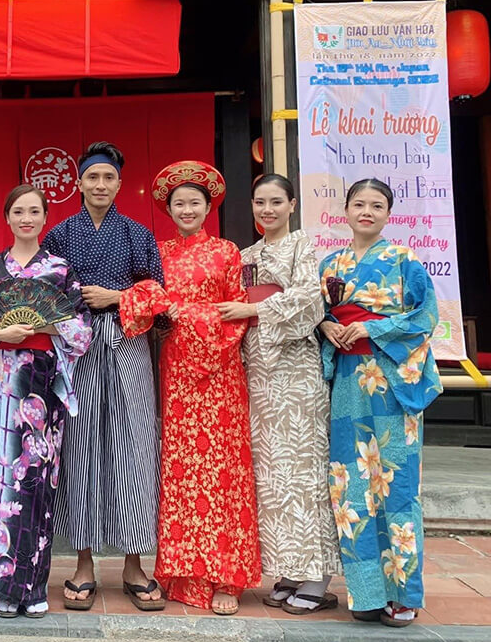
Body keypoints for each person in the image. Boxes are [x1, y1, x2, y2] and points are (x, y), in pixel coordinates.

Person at [0, 184, 92, 618]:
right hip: (0, 384)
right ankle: (1, 583)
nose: (27, 218)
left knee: (35, 483)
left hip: (41, 390)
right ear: (7, 217)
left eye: (34, 211)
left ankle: (33, 586)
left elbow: (80, 331)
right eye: (18, 211)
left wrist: (47, 327)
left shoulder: (59, 271)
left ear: (45, 217)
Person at [42, 141, 165, 611]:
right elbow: (45, 295)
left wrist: (116, 297)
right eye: (91, 177)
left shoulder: (137, 234)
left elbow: (157, 293)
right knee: (81, 445)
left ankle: (134, 563)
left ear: (119, 183)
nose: (99, 185)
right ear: (78, 182)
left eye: (107, 178)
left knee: (133, 444)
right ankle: (84, 561)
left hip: (129, 342)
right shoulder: (61, 234)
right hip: (76, 345)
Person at [318, 178, 442, 628]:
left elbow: (426, 317)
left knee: (397, 488)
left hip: (391, 381)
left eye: (376, 205)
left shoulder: (405, 262)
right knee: (351, 486)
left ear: (389, 214)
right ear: (345, 210)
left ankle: (403, 593)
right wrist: (328, 329)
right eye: (358, 204)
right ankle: (367, 594)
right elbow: (324, 317)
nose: (366, 211)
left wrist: (374, 329)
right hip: (349, 384)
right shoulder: (331, 264)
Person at [216, 174, 340, 614]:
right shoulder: (245, 255)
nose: (267, 210)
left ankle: (317, 571)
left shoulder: (303, 247)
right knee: (271, 474)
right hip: (258, 371)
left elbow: (310, 301)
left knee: (304, 468)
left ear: (291, 205)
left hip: (296, 370)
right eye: (259, 202)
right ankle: (289, 567)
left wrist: (254, 308)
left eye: (275, 202)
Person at [147, 161, 261, 615]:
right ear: (169, 210)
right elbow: (151, 307)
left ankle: (225, 579)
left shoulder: (229, 252)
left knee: (223, 468)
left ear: (208, 207)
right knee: (183, 470)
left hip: (220, 369)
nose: (187, 209)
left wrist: (190, 321)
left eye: (195, 202)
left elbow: (238, 311)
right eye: (179, 203)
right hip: (175, 370)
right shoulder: (159, 253)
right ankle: (182, 572)